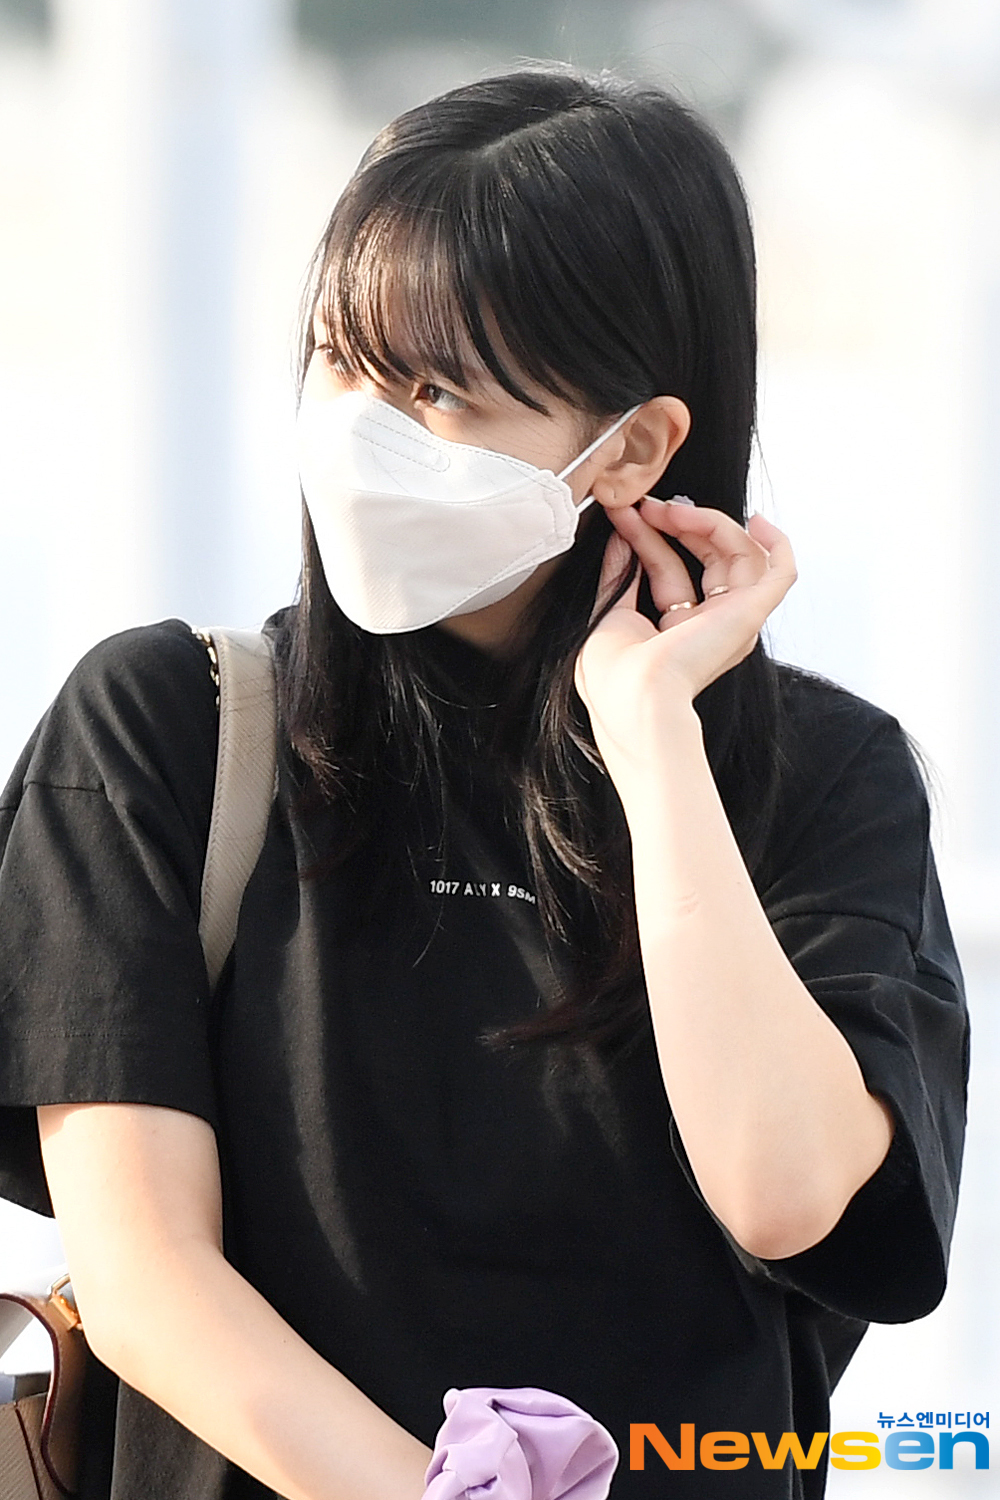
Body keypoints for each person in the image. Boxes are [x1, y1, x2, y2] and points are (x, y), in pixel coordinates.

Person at [0, 66, 968, 1500]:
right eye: (340, 362)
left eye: (436, 391)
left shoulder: (825, 780)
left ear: (632, 447)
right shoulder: (168, 729)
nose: (360, 430)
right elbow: (149, 1284)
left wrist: (652, 735)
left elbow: (784, 1194)